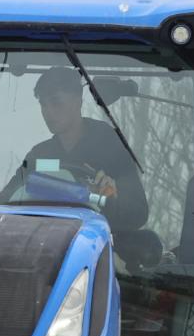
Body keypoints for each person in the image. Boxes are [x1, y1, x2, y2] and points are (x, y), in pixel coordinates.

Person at [8, 66, 149, 231]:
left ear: (77, 101)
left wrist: (110, 197)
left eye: (56, 102)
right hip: (45, 239)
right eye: (43, 104)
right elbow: (7, 199)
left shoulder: (109, 145)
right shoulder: (39, 155)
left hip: (99, 240)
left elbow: (138, 213)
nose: (48, 112)